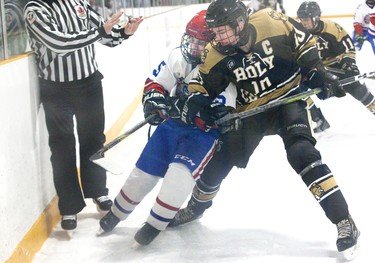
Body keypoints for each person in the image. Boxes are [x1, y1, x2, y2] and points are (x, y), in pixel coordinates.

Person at [169, 0, 360, 260]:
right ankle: (196, 206)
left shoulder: (271, 20)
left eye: (222, 29)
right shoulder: (216, 51)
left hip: (289, 101)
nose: (217, 36)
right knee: (222, 160)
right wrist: (196, 103)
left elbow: (303, 45)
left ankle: (343, 220)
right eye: (214, 31)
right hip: (252, 112)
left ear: (240, 23)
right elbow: (202, 86)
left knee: (302, 153)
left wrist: (318, 71)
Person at [98, 10, 238, 246]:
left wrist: (208, 111)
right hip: (172, 126)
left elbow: (226, 103)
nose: (193, 46)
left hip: (201, 134)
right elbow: (157, 82)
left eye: (200, 42)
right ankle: (117, 212)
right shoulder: (178, 57)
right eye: (191, 39)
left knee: (179, 175)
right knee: (144, 171)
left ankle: (155, 223)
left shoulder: (225, 66)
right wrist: (154, 101)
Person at [23, 0, 143, 232]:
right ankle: (69, 205)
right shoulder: (34, 9)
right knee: (62, 147)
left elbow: (104, 35)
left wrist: (124, 33)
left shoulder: (78, 3)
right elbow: (58, 43)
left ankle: (98, 191)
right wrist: (100, 31)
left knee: (94, 141)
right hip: (55, 89)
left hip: (89, 84)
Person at [298, 1, 375, 115]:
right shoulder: (298, 33)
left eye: (306, 19)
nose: (303, 23)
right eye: (301, 19)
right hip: (314, 69)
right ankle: (318, 119)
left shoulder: (331, 28)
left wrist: (348, 63)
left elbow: (348, 48)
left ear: (316, 17)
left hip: (335, 66)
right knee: (296, 89)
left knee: (355, 86)